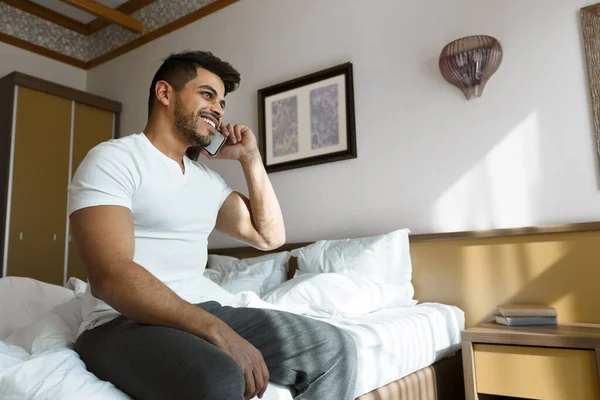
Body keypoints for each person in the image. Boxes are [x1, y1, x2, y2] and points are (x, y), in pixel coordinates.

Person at [68, 50, 357, 400]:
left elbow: (270, 237)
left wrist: (250, 159)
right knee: (221, 378)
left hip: (202, 310)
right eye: (207, 95)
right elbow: (109, 275)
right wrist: (217, 331)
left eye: (222, 102)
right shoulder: (114, 160)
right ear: (164, 93)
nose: (219, 109)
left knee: (336, 347)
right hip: (120, 321)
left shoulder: (206, 182)